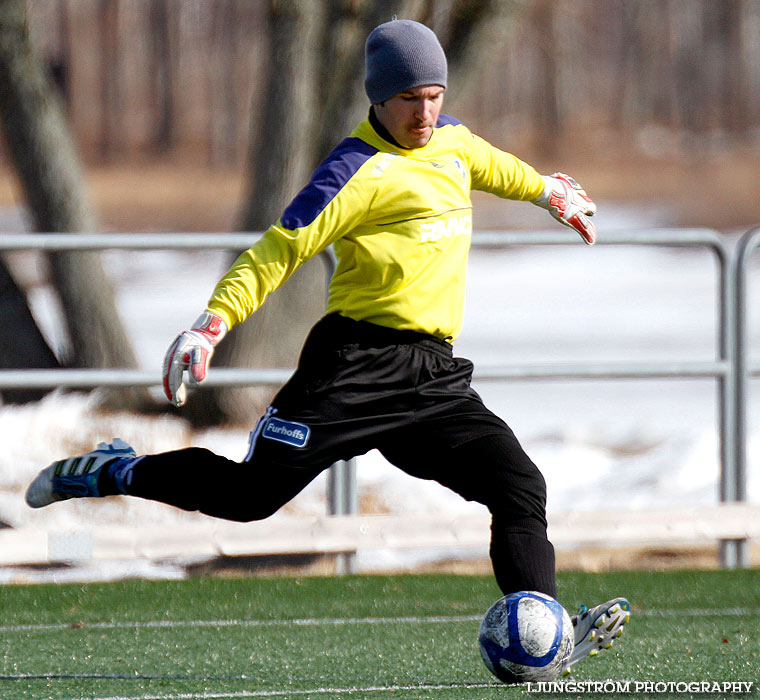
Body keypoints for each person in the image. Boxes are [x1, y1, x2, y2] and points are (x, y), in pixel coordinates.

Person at [26, 19, 628, 675]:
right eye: (409, 98)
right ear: (377, 96)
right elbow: (275, 254)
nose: (424, 112)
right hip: (349, 372)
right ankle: (118, 468)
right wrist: (210, 324)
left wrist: (550, 192)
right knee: (247, 498)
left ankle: (542, 636)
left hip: (432, 380)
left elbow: (502, 170)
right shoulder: (352, 172)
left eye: (434, 95)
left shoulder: (454, 143)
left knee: (519, 486)